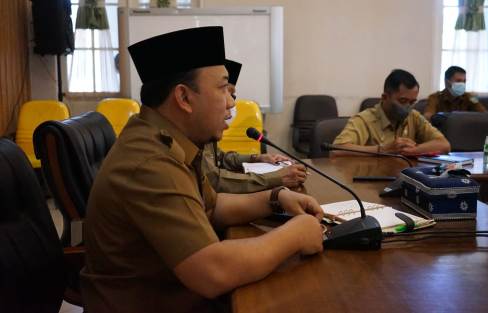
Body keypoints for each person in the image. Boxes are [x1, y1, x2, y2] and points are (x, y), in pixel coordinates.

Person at [80, 27, 324, 313]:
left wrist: (275, 198)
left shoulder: (165, 141)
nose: (232, 102)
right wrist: (296, 234)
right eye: (223, 89)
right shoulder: (149, 162)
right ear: (183, 98)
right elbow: (212, 272)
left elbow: (211, 205)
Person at [203, 59, 307, 193]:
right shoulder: (192, 135)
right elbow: (215, 181)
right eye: (224, 92)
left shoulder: (205, 135)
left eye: (232, 95)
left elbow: (220, 158)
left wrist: (257, 157)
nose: (232, 103)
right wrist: (277, 177)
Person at [333, 69, 450, 155]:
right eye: (403, 101)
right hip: (370, 180)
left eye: (413, 102)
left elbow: (444, 144)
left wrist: (413, 149)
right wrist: (383, 149)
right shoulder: (364, 119)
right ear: (385, 97)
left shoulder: (414, 116)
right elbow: (336, 150)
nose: (408, 107)